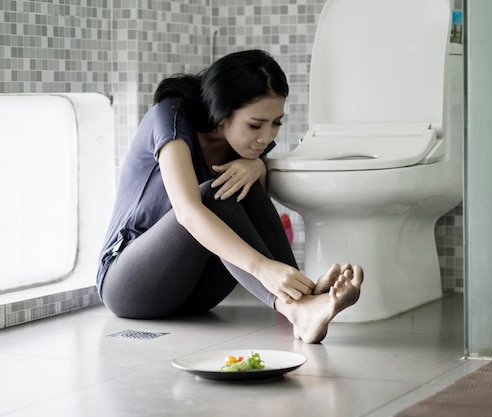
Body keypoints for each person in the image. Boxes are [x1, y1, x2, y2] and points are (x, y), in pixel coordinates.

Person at [96, 49, 363, 343]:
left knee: (239, 183)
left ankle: (302, 298)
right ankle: (298, 306)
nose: (267, 136)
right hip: (130, 285)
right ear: (222, 113)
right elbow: (188, 212)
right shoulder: (171, 117)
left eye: (276, 123)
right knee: (213, 193)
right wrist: (263, 268)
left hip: (196, 294)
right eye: (255, 125)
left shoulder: (247, 145)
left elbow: (257, 208)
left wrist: (256, 167)